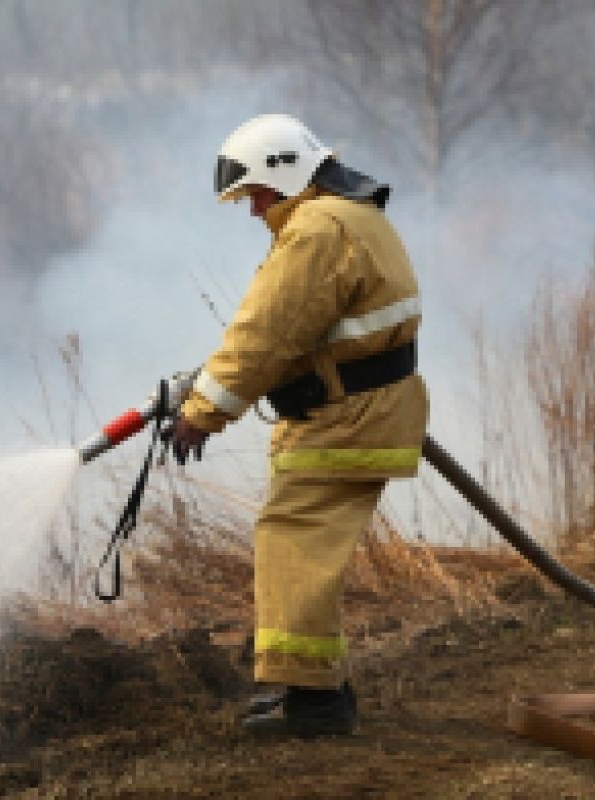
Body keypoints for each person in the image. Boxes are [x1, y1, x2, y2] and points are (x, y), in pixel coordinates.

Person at [164, 113, 428, 737]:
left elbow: (265, 335)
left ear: (284, 176)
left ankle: (312, 705)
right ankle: (316, 690)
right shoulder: (347, 216)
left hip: (346, 420)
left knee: (295, 542)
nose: (253, 211)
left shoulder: (315, 230)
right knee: (303, 543)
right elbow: (294, 332)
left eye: (254, 194)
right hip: (361, 411)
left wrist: (202, 413)